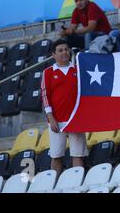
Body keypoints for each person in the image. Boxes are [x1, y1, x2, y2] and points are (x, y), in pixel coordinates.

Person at [40, 39, 88, 176]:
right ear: (53, 54)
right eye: (60, 50)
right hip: (57, 120)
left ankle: (77, 184)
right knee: (56, 156)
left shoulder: (78, 70)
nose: (64, 52)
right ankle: (53, 184)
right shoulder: (48, 72)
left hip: (75, 119)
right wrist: (51, 118)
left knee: (78, 155)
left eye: (66, 49)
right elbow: (45, 96)